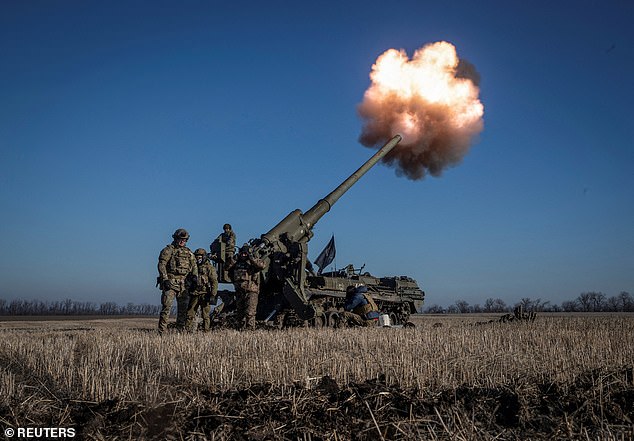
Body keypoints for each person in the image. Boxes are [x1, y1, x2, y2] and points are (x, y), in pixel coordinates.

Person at [157, 228, 198, 334]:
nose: (182, 241)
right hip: (170, 283)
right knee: (166, 308)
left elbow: (194, 266)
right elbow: (162, 265)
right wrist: (165, 279)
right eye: (180, 239)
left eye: (184, 240)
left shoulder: (188, 252)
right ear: (176, 238)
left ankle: (180, 332)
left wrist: (194, 277)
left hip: (183, 285)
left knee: (183, 310)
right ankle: (161, 332)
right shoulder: (169, 250)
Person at [227, 244, 265, 330]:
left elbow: (262, 265)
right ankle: (240, 329)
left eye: (245, 254)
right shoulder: (236, 263)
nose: (243, 255)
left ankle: (250, 330)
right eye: (242, 254)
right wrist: (234, 259)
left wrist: (251, 258)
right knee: (240, 312)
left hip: (251, 290)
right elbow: (227, 267)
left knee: (250, 312)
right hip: (239, 290)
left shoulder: (252, 263)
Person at [185, 248, 218, 332]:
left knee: (205, 315)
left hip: (205, 294)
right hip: (194, 293)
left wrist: (213, 295)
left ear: (204, 257)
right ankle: (187, 330)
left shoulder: (209, 267)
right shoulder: (192, 267)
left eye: (200, 257)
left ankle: (206, 331)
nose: (198, 259)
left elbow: (214, 282)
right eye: (196, 257)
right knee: (190, 313)